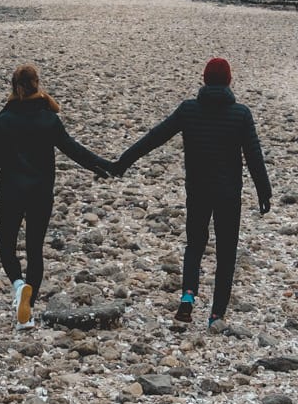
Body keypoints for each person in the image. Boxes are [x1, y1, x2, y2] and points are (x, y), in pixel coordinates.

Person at [115, 57, 270, 329]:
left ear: (204, 79)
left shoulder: (189, 110)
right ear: (229, 81)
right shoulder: (241, 114)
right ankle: (216, 315)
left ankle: (187, 298)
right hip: (228, 194)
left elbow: (155, 137)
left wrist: (123, 162)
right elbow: (253, 155)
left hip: (198, 191)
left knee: (195, 245)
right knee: (226, 253)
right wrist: (264, 191)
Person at [0, 63, 112, 326]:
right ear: (37, 84)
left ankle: (19, 286)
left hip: (12, 192)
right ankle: (28, 311)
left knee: (7, 246)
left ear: (14, 86)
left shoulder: (5, 120)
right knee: (35, 249)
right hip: (41, 194)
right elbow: (73, 150)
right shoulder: (49, 119)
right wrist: (102, 166)